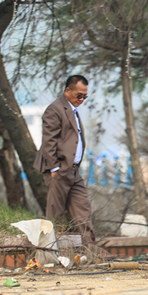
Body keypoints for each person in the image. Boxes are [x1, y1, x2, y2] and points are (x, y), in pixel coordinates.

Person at [33, 75, 97, 249]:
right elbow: (49, 141)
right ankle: (48, 250)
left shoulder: (73, 110)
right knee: (55, 213)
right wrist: (55, 168)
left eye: (85, 96)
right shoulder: (55, 109)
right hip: (59, 169)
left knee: (83, 209)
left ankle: (92, 249)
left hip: (73, 170)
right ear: (67, 90)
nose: (82, 99)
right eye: (79, 95)